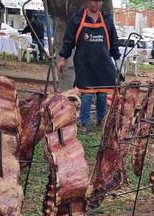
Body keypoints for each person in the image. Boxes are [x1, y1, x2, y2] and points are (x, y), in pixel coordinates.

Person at [57, 0, 121, 129]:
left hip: (103, 64)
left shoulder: (107, 19)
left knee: (102, 94)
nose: (96, 4)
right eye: (94, 1)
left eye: (99, 1)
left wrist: (118, 60)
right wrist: (63, 58)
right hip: (84, 63)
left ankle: (101, 122)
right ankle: (84, 123)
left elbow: (114, 41)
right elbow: (68, 40)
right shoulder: (78, 18)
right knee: (87, 94)